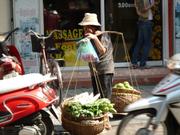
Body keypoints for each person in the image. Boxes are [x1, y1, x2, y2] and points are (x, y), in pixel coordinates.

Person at [78, 13, 114, 100]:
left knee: (105, 97)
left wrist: (95, 38)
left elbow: (102, 51)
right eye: (84, 27)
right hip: (94, 71)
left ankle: (107, 113)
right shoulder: (89, 37)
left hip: (104, 70)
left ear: (94, 27)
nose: (85, 29)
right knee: (96, 96)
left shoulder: (103, 35)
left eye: (88, 27)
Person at [131, 0, 155, 69]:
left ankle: (134, 63)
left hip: (142, 22)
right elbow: (142, 10)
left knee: (139, 43)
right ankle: (142, 64)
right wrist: (151, 5)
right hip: (145, 22)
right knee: (146, 44)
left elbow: (138, 10)